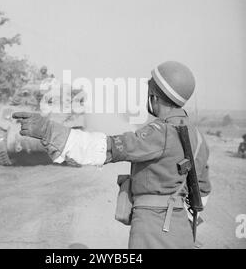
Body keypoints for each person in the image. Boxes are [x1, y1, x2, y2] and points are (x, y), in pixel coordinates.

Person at [13, 61, 211, 249]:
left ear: (155, 95)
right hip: (180, 229)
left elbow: (106, 148)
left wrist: (48, 130)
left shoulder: (159, 132)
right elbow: (202, 191)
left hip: (153, 227)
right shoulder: (198, 137)